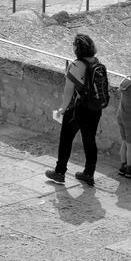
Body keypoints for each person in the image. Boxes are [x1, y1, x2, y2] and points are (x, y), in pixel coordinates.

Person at [46, 33, 108, 187]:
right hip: (94, 109)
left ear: (77, 49)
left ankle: (59, 172)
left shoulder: (75, 66)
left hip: (77, 110)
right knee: (90, 141)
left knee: (66, 140)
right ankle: (88, 174)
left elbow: (68, 90)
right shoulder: (96, 63)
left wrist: (63, 108)